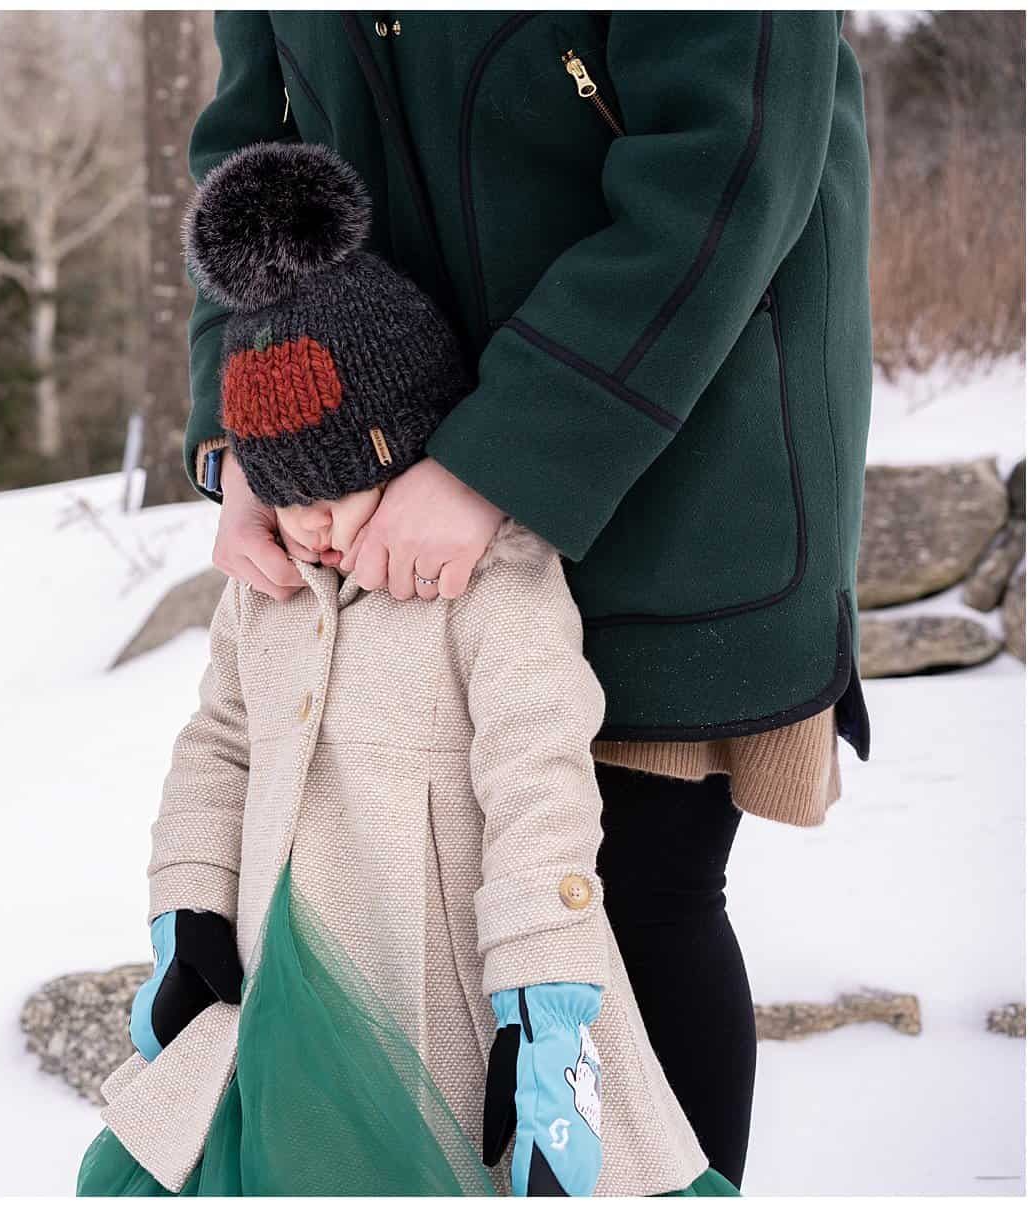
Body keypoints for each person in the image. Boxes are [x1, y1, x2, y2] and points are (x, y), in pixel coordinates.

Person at [178, 14, 873, 1187]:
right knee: (424, 911)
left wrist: (500, 457)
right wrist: (243, 434)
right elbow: (252, 159)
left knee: (633, 892)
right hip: (383, 449)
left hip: (673, 414)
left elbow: (731, 149)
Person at [75, 140, 733, 1198]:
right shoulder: (269, 585)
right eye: (289, 491)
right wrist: (188, 900)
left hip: (439, 1003)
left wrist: (542, 992)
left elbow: (539, 778)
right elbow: (220, 741)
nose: (317, 520)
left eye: (345, 483)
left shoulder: (493, 580)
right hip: (281, 994)